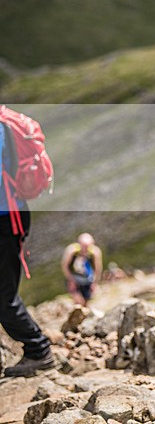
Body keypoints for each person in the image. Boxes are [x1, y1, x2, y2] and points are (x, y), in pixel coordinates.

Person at [0, 122, 54, 376]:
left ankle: (38, 350)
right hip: (12, 214)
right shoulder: (5, 123)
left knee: (3, 295)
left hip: (5, 218)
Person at [61, 233, 103, 306]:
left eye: (87, 246)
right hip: (74, 278)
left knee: (87, 300)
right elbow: (65, 266)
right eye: (83, 246)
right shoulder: (72, 251)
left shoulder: (94, 253)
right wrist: (70, 280)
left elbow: (98, 268)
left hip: (87, 279)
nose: (85, 249)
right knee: (78, 300)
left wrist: (95, 283)